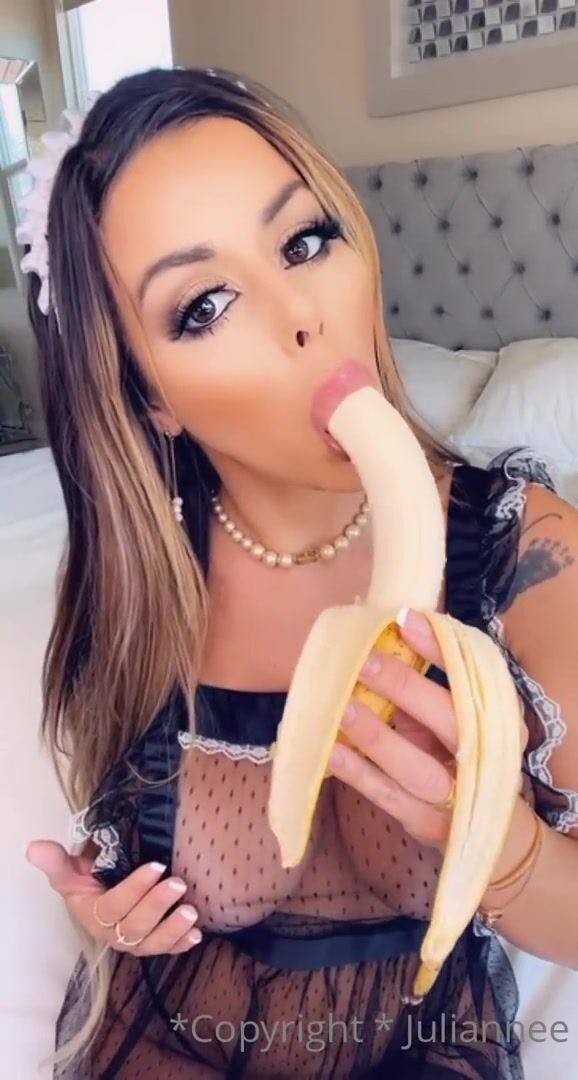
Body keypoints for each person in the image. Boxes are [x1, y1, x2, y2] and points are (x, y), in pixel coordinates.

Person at [21, 66, 578, 1079]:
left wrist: (506, 856)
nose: (301, 318)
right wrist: (111, 910)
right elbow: (124, 835)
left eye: (305, 241)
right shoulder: (143, 580)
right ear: (151, 400)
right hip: (171, 1029)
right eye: (205, 305)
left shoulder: (524, 556)